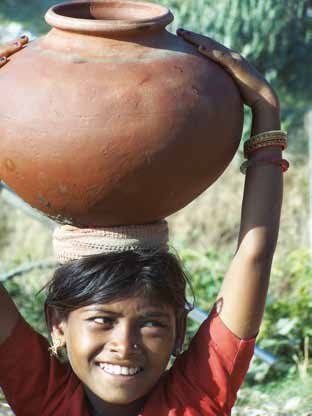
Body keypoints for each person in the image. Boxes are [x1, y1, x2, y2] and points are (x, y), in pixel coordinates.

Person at [0, 28, 285, 416]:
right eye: (102, 320)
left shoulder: (199, 397)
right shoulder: (43, 398)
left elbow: (255, 254)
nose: (125, 344)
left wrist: (266, 109)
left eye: (152, 324)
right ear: (58, 325)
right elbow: (255, 252)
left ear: (180, 331)